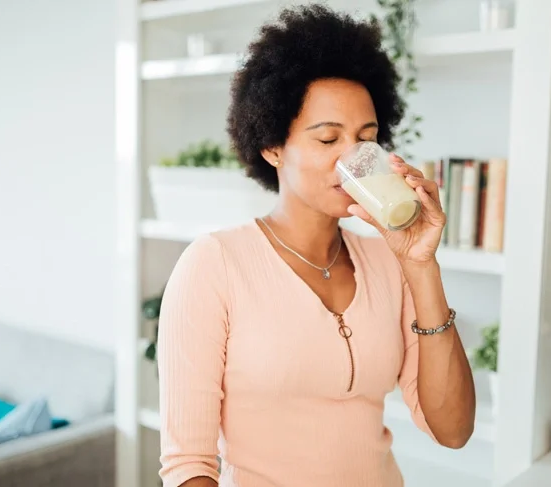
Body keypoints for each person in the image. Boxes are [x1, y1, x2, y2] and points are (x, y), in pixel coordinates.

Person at [157, 4, 476, 487]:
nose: (352, 159)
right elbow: (188, 467)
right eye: (328, 139)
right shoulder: (214, 264)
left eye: (366, 140)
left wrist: (422, 266)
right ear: (272, 146)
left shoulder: (389, 264)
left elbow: (452, 430)